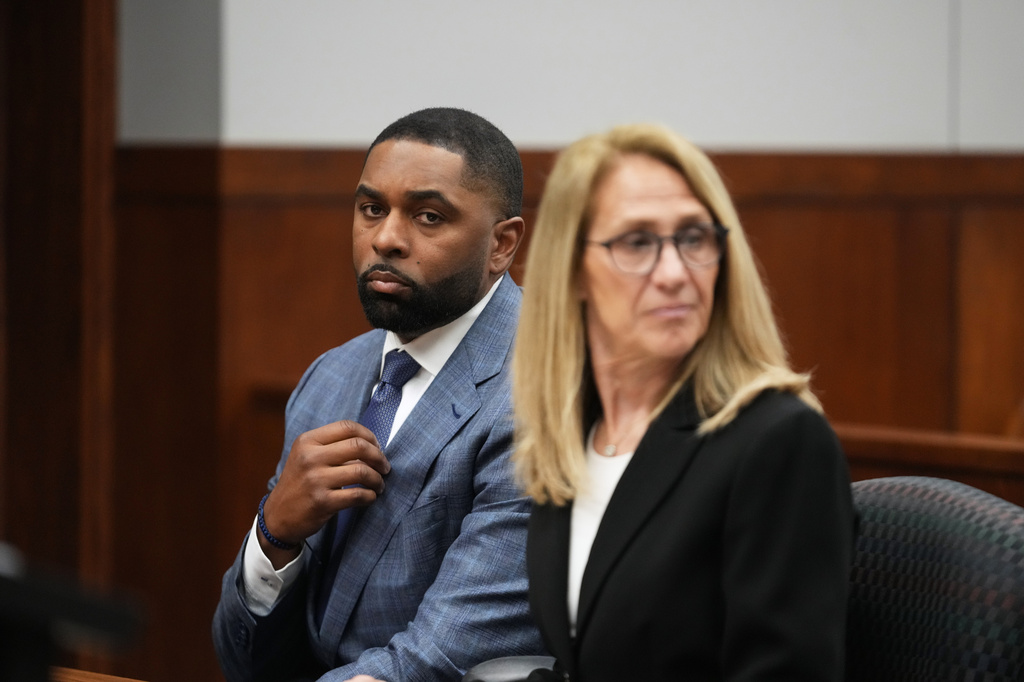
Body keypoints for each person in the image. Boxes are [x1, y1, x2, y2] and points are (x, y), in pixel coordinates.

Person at [213, 107, 544, 682]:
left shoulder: (542, 393)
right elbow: (243, 660)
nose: (386, 239)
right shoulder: (331, 376)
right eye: (371, 209)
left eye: (429, 216)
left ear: (501, 244)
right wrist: (274, 534)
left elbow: (437, 662)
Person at [512, 124, 854, 681]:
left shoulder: (779, 441)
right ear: (572, 272)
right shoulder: (574, 440)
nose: (674, 273)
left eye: (694, 238)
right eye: (637, 242)